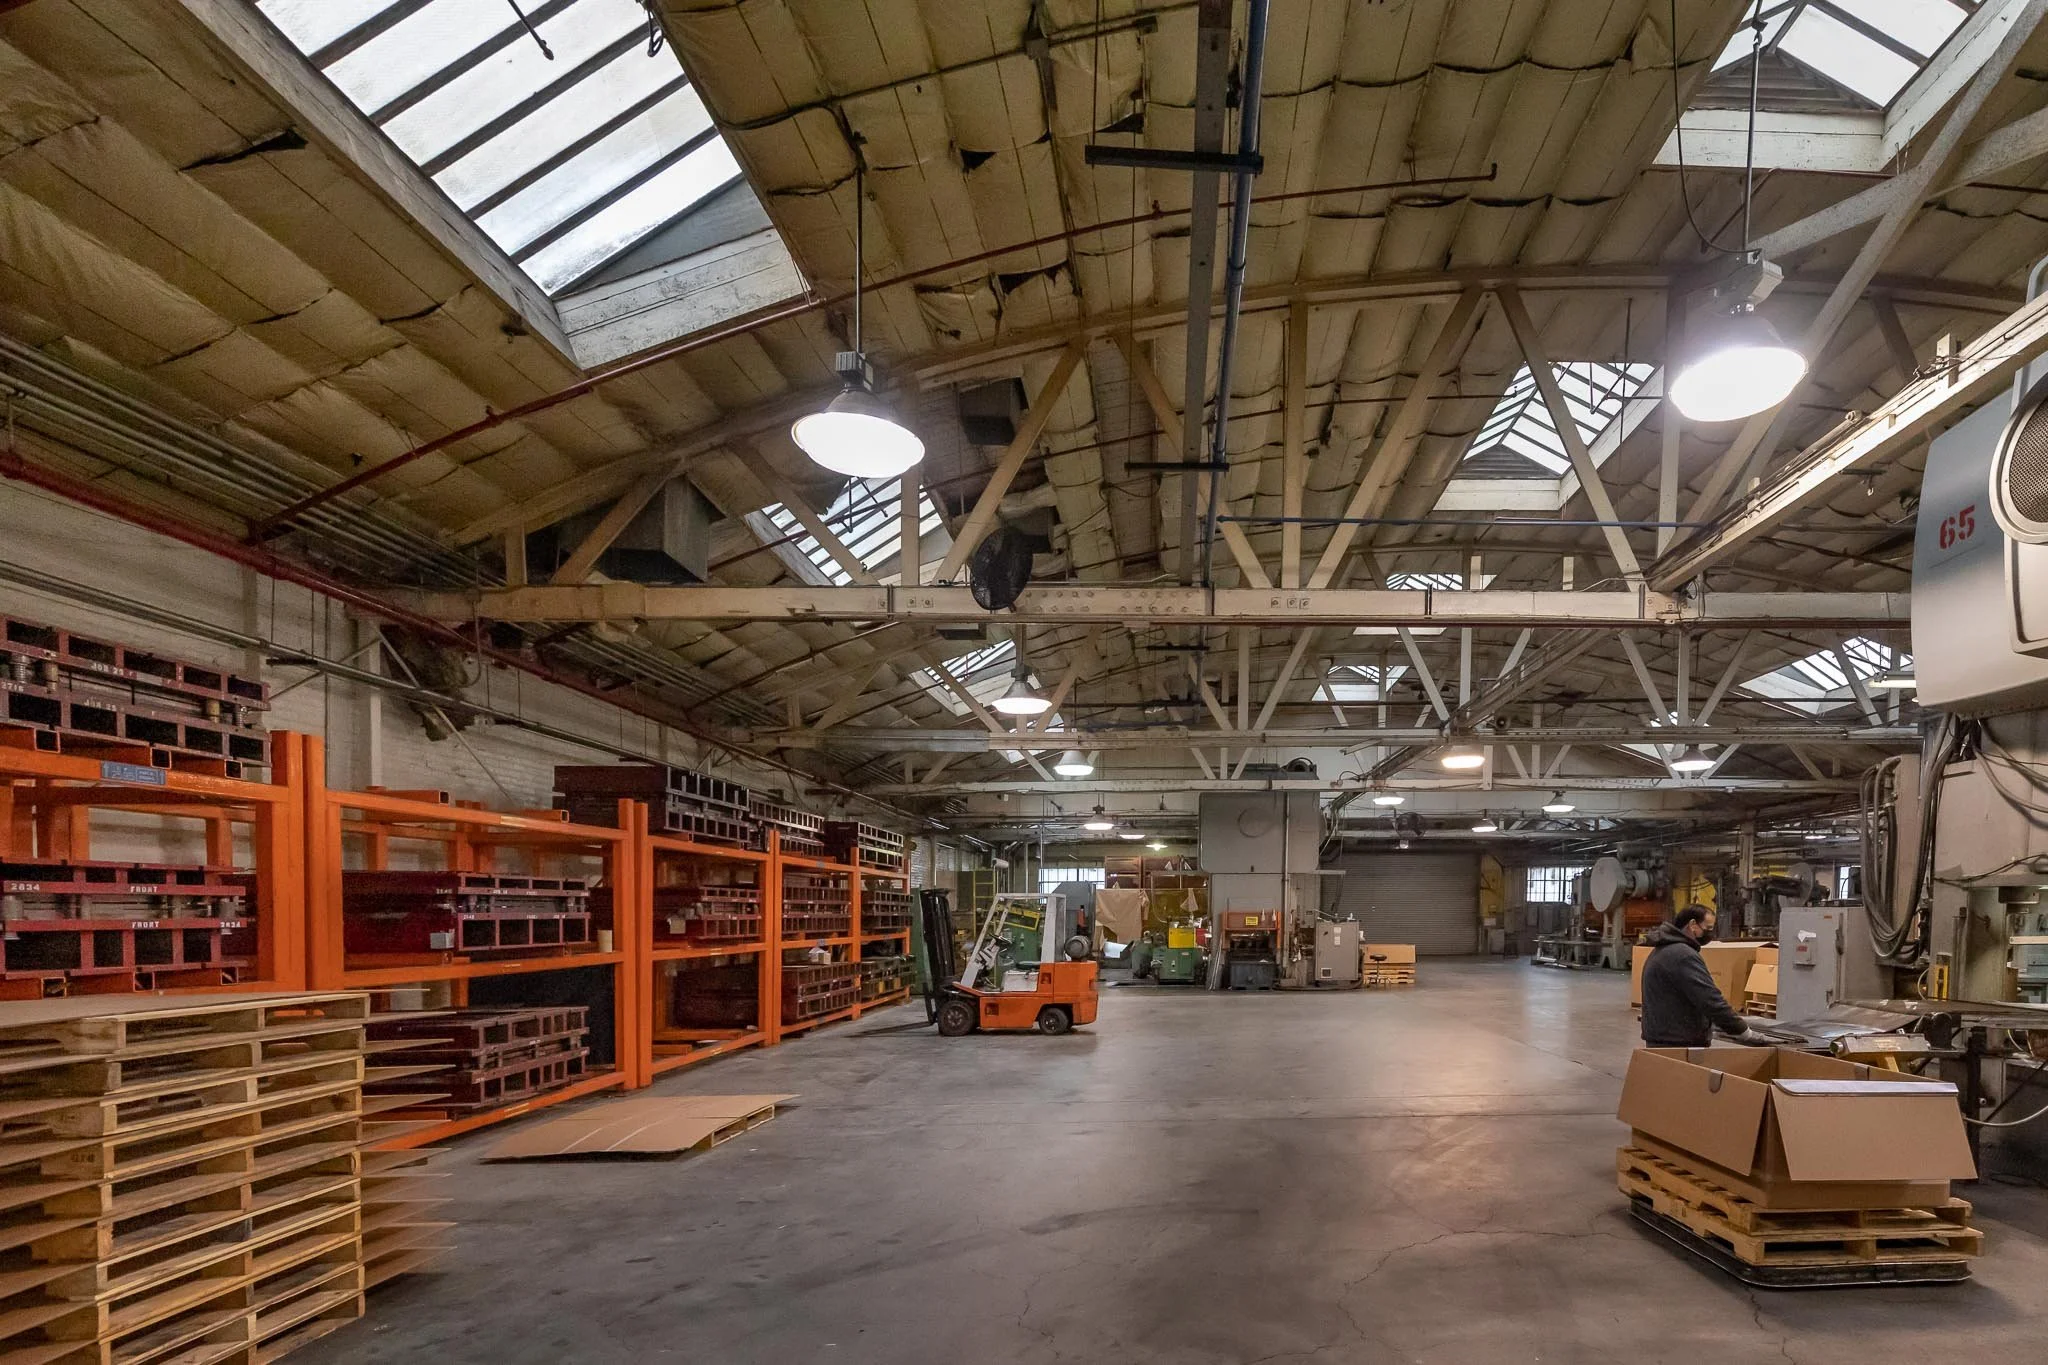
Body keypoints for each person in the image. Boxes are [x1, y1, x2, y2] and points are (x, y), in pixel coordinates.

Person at [1639, 906, 1770, 1048]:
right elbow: (1710, 999)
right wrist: (1744, 1032)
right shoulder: (1682, 955)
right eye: (1708, 928)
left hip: (1665, 1038)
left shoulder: (1664, 949)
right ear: (1693, 925)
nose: (1710, 934)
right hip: (1678, 1044)